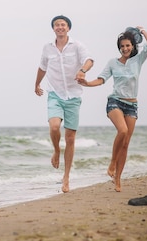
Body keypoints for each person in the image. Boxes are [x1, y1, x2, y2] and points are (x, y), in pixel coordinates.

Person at [78, 26, 147, 192]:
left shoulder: (138, 60)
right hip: (115, 102)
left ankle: (118, 178)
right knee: (122, 131)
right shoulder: (113, 63)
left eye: (128, 45)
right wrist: (87, 83)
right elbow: (101, 79)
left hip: (132, 105)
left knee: (126, 144)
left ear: (133, 46)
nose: (125, 48)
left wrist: (142, 30)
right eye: (122, 46)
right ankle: (112, 162)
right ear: (119, 47)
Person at [35, 15, 94, 193]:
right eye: (56, 25)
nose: (60, 27)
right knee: (54, 127)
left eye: (63, 24)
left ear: (68, 27)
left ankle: (66, 177)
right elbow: (42, 67)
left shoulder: (77, 46)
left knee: (70, 138)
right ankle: (55, 151)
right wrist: (36, 84)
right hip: (55, 94)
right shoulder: (47, 48)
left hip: (74, 96)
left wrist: (83, 71)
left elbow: (89, 60)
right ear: (53, 28)